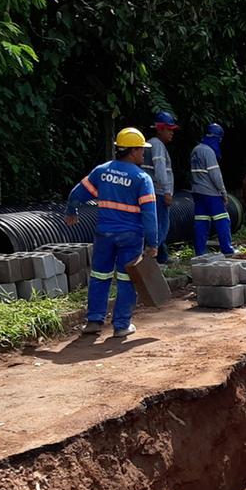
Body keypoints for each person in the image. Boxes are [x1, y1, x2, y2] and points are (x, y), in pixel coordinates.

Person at [66, 127, 157, 338]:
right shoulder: (142, 178)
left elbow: (76, 194)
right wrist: (153, 243)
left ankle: (94, 321)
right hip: (131, 236)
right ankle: (121, 325)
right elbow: (149, 215)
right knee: (126, 279)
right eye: (141, 150)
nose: (143, 154)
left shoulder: (101, 171)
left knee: (99, 276)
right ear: (132, 151)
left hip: (104, 234)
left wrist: (72, 211)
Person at [190, 123, 235, 256]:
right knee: (222, 219)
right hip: (211, 193)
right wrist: (223, 192)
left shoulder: (196, 150)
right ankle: (227, 249)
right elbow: (215, 175)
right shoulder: (208, 152)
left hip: (197, 192)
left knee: (201, 221)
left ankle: (200, 252)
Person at [145, 110, 178, 265]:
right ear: (160, 129)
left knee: (158, 225)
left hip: (153, 192)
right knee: (160, 226)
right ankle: (152, 259)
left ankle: (162, 257)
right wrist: (166, 191)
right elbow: (160, 169)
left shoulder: (152, 144)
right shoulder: (157, 145)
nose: (172, 133)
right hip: (158, 193)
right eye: (169, 129)